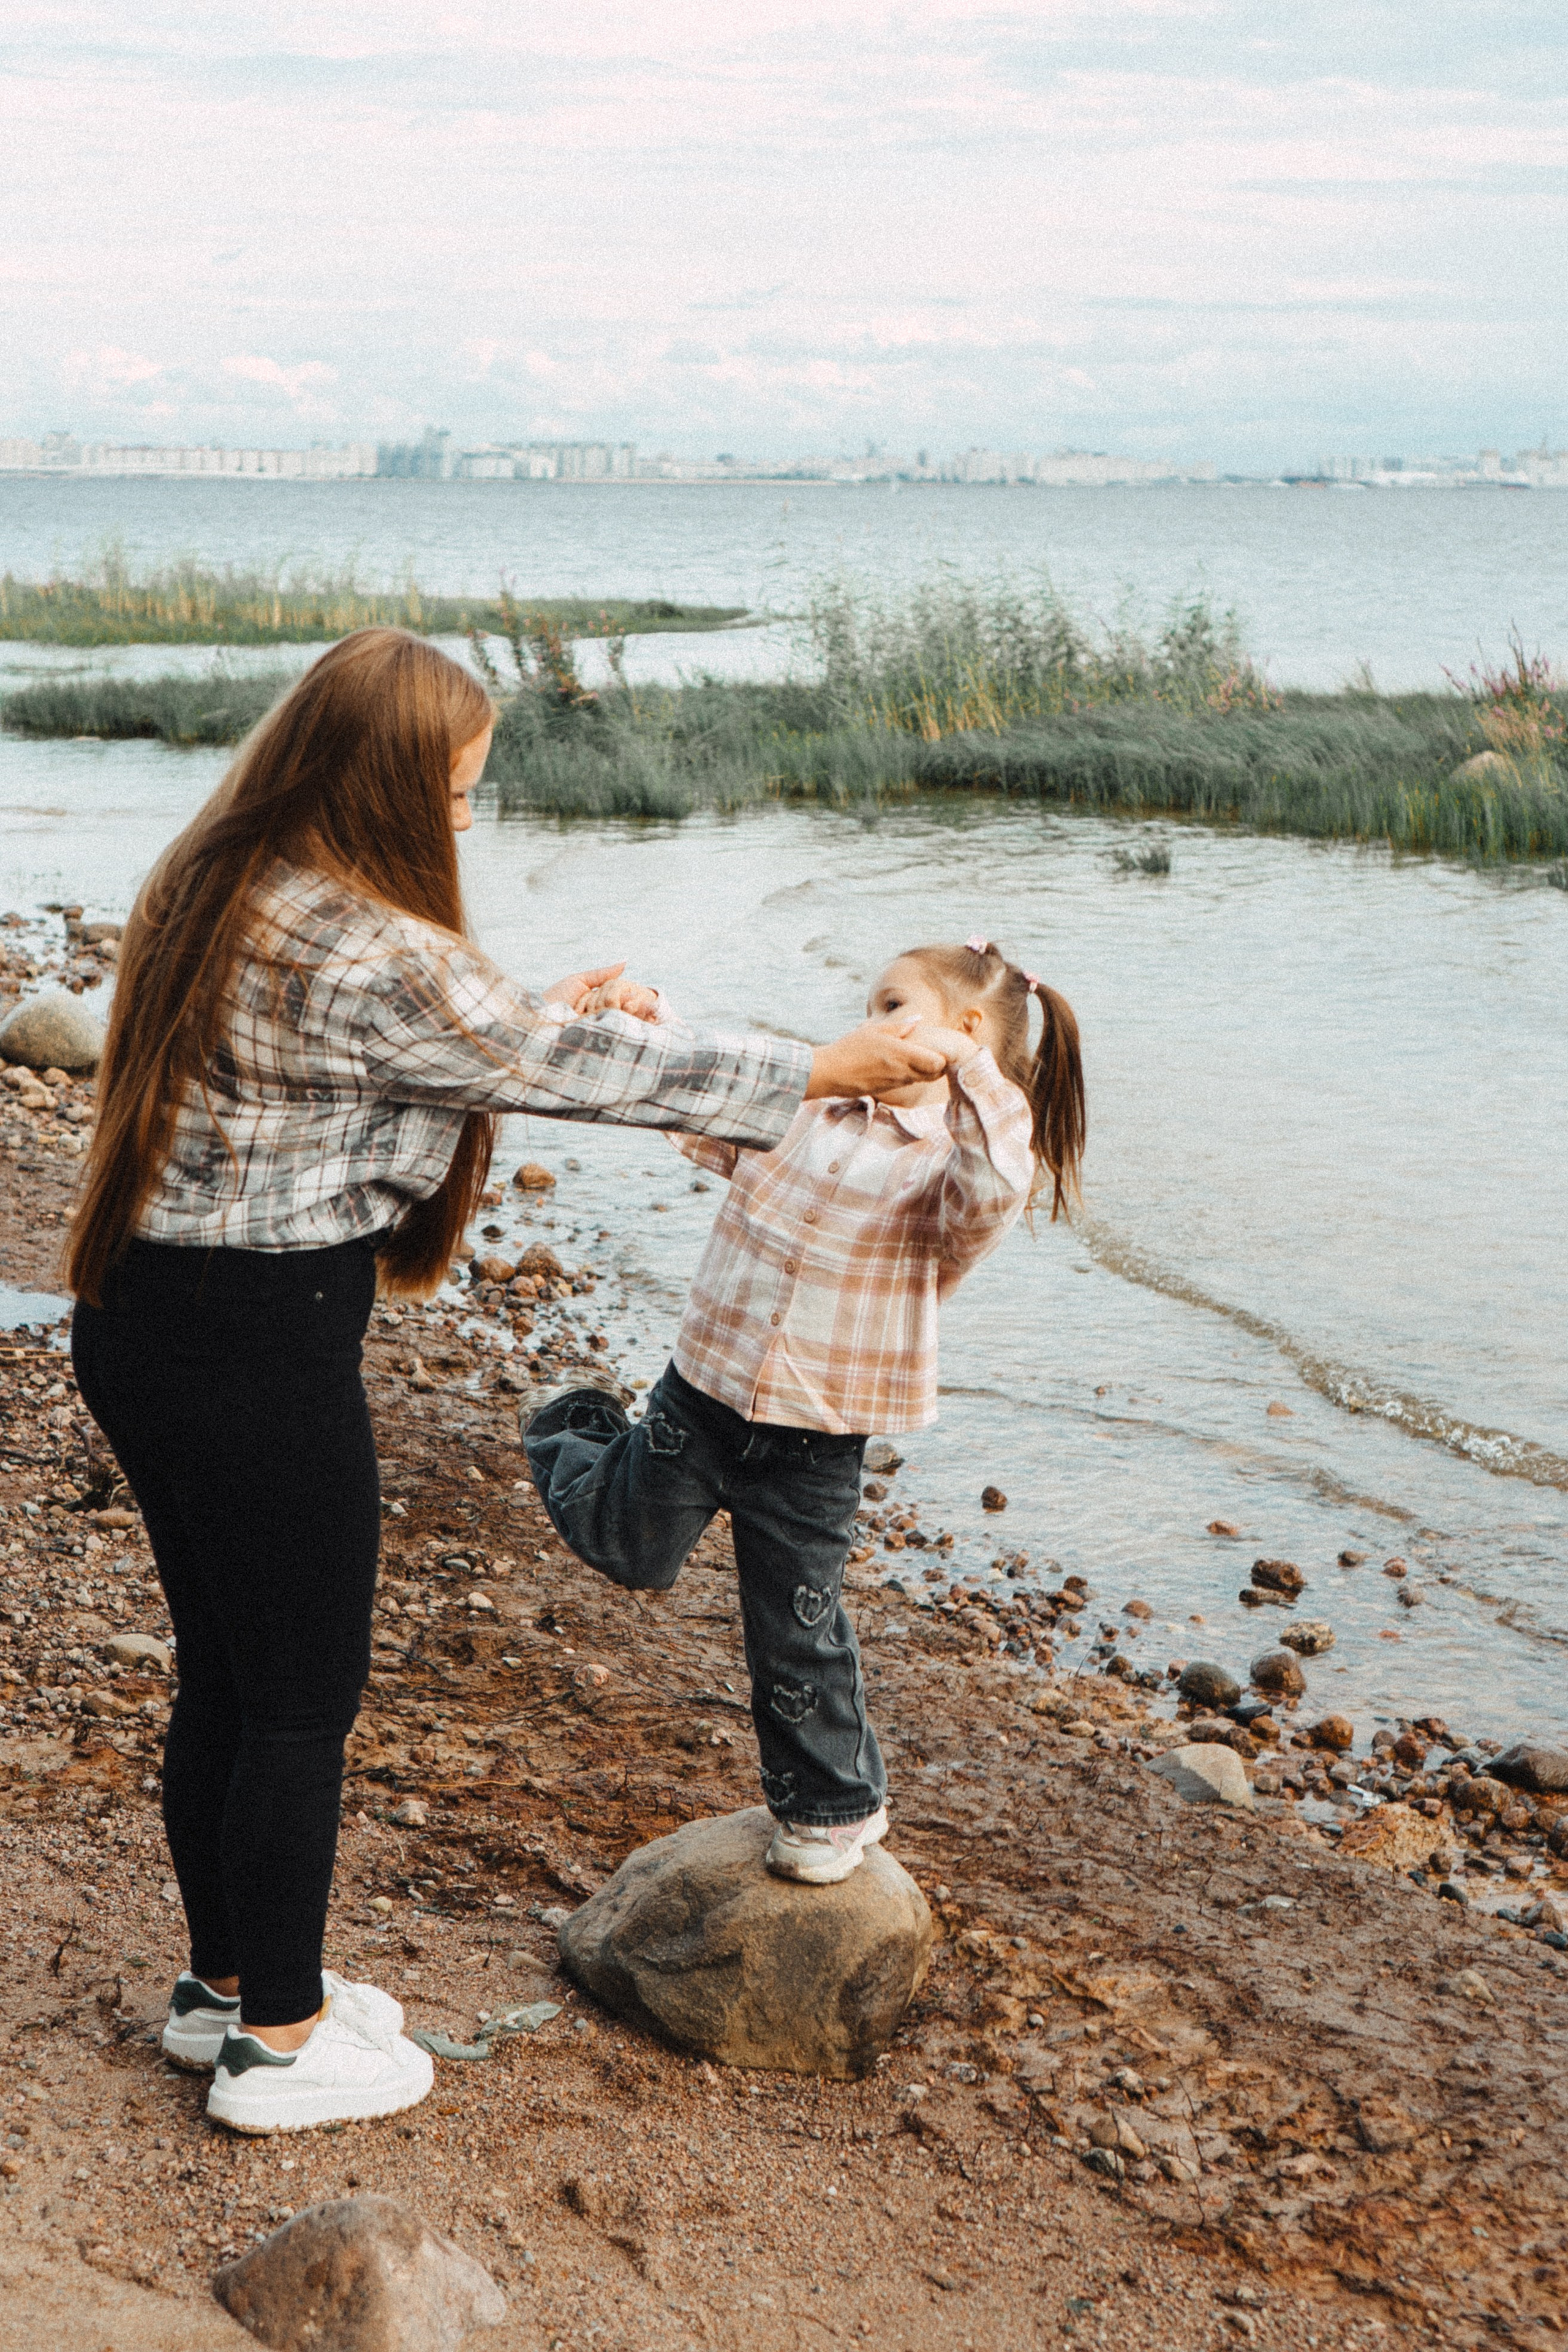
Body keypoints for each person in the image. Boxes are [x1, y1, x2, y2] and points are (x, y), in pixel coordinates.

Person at [66, 627, 945, 2137]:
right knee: (295, 1701)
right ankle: (278, 2043)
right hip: (254, 1349)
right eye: (458, 792)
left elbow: (435, 1044)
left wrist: (536, 1017)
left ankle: (226, 1990)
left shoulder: (224, 872)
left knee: (228, 1672)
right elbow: (557, 1065)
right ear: (385, 785)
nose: (468, 817)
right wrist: (827, 1065)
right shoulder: (365, 941)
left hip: (150, 1321)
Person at [522, 935, 1085, 1883]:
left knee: (797, 1624)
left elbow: (998, 1184)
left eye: (894, 1004)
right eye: (872, 1002)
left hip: (816, 1441)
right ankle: (574, 1426)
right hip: (699, 1395)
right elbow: (701, 1103)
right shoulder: (810, 1108)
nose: (872, 1021)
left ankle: (831, 1808)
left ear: (967, 1029)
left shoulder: (951, 1168)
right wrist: (650, 1023)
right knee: (626, 1547)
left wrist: (974, 1074)